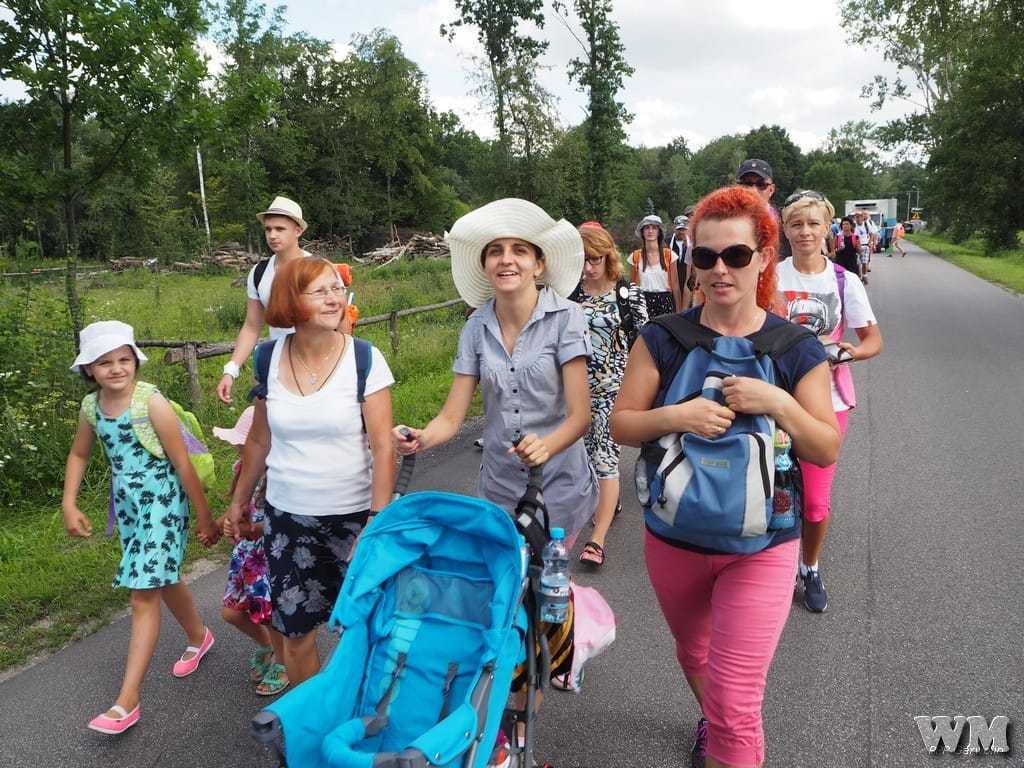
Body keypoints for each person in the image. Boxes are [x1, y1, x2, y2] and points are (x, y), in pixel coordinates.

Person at [609, 186, 840, 768]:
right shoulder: (663, 338)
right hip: (674, 537)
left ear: (763, 257)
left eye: (735, 255)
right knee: (694, 654)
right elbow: (621, 424)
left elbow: (824, 447)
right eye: (705, 256)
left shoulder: (794, 347)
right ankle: (711, 720)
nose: (719, 269)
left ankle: (723, 728)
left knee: (737, 707)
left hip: (763, 544)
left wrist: (778, 403)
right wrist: (678, 416)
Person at [224, 257, 395, 686]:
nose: (334, 298)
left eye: (337, 288)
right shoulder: (267, 358)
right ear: (290, 300)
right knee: (296, 634)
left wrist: (376, 520)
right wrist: (240, 501)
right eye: (320, 291)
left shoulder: (365, 359)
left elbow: (383, 446)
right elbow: (259, 441)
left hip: (354, 519)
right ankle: (314, 718)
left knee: (367, 630)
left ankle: (364, 714)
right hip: (287, 521)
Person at [393, 198, 598, 542]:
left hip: (558, 485)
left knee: (550, 575)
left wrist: (545, 446)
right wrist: (421, 438)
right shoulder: (475, 327)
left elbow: (581, 416)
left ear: (538, 264)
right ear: (485, 266)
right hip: (499, 488)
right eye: (495, 251)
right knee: (504, 576)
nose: (506, 259)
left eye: (519, 250)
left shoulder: (567, 317)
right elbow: (451, 417)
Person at [62, 321, 219, 735]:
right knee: (163, 577)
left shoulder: (151, 402)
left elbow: (182, 462)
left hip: (164, 503)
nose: (116, 368)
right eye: (105, 362)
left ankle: (126, 702)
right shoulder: (91, 408)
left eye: (124, 359)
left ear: (135, 360)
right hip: (130, 509)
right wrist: (69, 502)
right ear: (88, 369)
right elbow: (79, 454)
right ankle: (199, 636)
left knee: (143, 593)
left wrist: (204, 516)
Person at [777, 191, 884, 613]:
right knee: (772, 490)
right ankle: (775, 567)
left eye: (813, 224)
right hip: (773, 397)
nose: (805, 232)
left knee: (816, 502)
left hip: (828, 400)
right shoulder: (770, 275)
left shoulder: (843, 281)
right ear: (785, 230)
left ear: (827, 229)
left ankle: (810, 565)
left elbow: (872, 341)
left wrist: (848, 352)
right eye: (796, 224)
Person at [217, 196, 352, 404]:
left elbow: (342, 321)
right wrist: (231, 370)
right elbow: (252, 326)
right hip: (278, 364)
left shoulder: (321, 269)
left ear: (298, 230)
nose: (272, 235)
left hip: (321, 362)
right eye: (268, 229)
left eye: (280, 229)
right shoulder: (259, 273)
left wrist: (344, 364)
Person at [571, 223, 649, 568]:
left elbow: (646, 344)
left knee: (605, 460)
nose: (589, 267)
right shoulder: (568, 294)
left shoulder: (627, 295)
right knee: (583, 458)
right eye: (583, 260)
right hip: (573, 392)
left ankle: (597, 540)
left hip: (613, 391)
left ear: (608, 257)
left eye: (595, 259)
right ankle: (608, 500)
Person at [210, 407, 289, 696]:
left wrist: (250, 529)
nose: (239, 449)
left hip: (269, 557)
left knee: (270, 615)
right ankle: (268, 646)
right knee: (231, 613)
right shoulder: (244, 470)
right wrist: (219, 525)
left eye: (244, 443)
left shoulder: (280, 477)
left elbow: (282, 523)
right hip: (245, 557)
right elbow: (238, 507)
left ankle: (285, 664)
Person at [735, 158, 791, 261]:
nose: (752, 190)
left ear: (771, 190)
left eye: (761, 185)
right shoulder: (723, 223)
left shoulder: (787, 225)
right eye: (746, 184)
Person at [628, 214, 682, 317]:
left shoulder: (669, 255)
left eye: (654, 228)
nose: (650, 231)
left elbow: (676, 287)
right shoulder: (635, 257)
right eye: (647, 228)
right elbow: (631, 286)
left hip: (665, 301)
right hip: (643, 302)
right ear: (642, 232)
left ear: (659, 232)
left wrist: (679, 314)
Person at [669, 215, 695, 310]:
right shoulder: (666, 243)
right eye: (679, 229)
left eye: (683, 229)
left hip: (688, 282)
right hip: (670, 284)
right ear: (674, 228)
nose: (681, 232)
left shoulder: (692, 244)